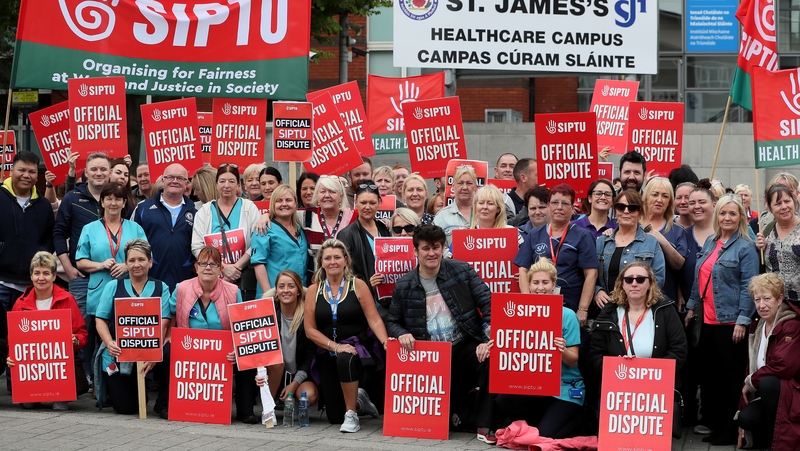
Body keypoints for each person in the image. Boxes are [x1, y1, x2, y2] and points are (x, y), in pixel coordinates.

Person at [386, 224, 496, 444]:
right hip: (429, 357)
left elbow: (489, 303)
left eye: (436, 247)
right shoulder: (405, 284)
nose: (431, 253)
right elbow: (392, 321)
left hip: (464, 345)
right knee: (438, 423)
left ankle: (485, 426)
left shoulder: (462, 270)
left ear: (443, 247)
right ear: (415, 251)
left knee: (489, 359)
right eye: (425, 248)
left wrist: (487, 340)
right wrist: (401, 333)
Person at [685, 194, 759, 445]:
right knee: (711, 376)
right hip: (706, 321)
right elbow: (700, 278)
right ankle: (717, 425)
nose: (727, 218)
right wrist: (691, 307)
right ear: (717, 216)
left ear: (740, 217)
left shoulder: (746, 246)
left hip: (730, 322)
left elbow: (750, 285)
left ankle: (729, 429)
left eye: (733, 213)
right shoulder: (710, 241)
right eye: (723, 213)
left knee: (731, 378)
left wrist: (742, 319)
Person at [303, 239, 390, 431]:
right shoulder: (313, 290)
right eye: (327, 258)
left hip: (356, 347)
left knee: (345, 358)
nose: (332, 261)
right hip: (327, 350)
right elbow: (310, 330)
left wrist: (385, 342)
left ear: (345, 261)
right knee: (334, 416)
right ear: (321, 263)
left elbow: (374, 319)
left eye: (337, 257)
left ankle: (352, 415)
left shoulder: (358, 285)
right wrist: (335, 346)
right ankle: (359, 401)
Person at [495, 258, 585, 439]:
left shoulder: (567, 315)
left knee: (546, 435)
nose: (540, 288)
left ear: (553, 284)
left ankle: (584, 418)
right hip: (535, 385)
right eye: (535, 283)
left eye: (545, 282)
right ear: (528, 285)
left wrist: (562, 349)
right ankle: (539, 421)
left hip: (564, 387)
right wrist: (496, 346)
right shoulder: (520, 313)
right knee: (503, 399)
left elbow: (573, 360)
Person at [169, 246, 258, 423]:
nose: (208, 268)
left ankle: (245, 411)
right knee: (166, 353)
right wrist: (169, 337)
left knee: (244, 356)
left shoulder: (234, 292)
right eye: (203, 263)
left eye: (213, 264)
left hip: (222, 352)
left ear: (221, 269)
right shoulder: (181, 288)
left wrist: (236, 348)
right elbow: (170, 314)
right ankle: (166, 405)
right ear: (196, 267)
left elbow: (239, 326)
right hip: (189, 349)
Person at [76, 183, 148, 374]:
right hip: (100, 289)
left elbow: (149, 258)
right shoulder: (89, 229)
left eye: (118, 198)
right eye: (109, 198)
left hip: (130, 289)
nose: (113, 203)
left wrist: (127, 265)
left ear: (124, 202)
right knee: (102, 341)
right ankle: (100, 384)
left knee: (129, 337)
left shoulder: (135, 228)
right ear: (102, 201)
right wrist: (100, 265)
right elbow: (80, 261)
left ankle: (127, 380)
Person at [94, 239, 170, 416]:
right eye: (132, 260)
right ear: (126, 264)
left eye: (141, 259)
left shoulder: (161, 287)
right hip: (119, 353)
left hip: (150, 350)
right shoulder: (113, 286)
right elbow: (100, 319)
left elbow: (164, 322)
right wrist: (109, 342)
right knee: (126, 408)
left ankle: (164, 402)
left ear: (150, 262)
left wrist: (154, 352)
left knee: (170, 352)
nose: (137, 264)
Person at [589, 261, 687, 397]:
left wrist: (649, 374)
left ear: (650, 284)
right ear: (622, 284)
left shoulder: (665, 310)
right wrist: (616, 367)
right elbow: (596, 353)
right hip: (617, 389)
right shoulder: (609, 312)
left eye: (640, 279)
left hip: (656, 389)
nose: (634, 283)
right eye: (629, 280)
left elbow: (679, 349)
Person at [54, 152, 110, 379]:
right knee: (81, 328)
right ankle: (85, 375)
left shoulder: (117, 197)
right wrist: (67, 267)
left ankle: (104, 376)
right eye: (94, 169)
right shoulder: (73, 198)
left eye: (103, 169)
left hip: (110, 277)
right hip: (82, 277)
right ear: (85, 172)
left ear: (109, 172)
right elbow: (59, 234)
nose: (99, 173)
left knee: (107, 325)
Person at [7, 252, 87, 410]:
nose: (41, 278)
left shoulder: (67, 299)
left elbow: (82, 333)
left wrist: (76, 340)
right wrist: (11, 356)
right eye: (36, 273)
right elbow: (13, 338)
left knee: (60, 407)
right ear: (31, 276)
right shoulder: (20, 303)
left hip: (59, 373)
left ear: (54, 276)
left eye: (46, 273)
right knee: (28, 405)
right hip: (32, 373)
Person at [515, 184, 598, 324]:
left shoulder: (583, 236)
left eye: (565, 203)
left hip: (569, 306)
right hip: (539, 304)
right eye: (554, 202)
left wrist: (583, 309)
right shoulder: (534, 235)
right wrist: (527, 302)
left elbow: (591, 274)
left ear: (572, 208)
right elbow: (523, 269)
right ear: (548, 205)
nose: (559, 207)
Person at [737, 273, 800, 450]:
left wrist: (750, 382)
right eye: (757, 300)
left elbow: (784, 366)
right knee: (745, 418)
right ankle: (769, 440)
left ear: (780, 299)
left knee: (767, 383)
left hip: (794, 393)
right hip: (771, 394)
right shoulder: (758, 325)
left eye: (767, 298)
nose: (761, 305)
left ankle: (779, 441)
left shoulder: (791, 325)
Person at [191, 164, 260, 300]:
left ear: (239, 185)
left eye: (231, 181)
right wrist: (222, 267)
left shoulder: (249, 208)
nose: (226, 185)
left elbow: (257, 243)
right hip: (212, 280)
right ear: (216, 184)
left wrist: (236, 268)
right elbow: (196, 246)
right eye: (222, 181)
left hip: (242, 280)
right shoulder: (204, 212)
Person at [256, 270, 319, 412]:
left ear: (298, 290)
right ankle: (268, 408)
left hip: (299, 375)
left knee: (309, 395)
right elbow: (258, 350)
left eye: (291, 286)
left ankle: (292, 402)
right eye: (281, 286)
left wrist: (294, 384)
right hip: (274, 374)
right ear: (276, 291)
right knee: (276, 361)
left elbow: (310, 357)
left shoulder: (308, 315)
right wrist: (259, 372)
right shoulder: (268, 313)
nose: (286, 290)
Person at [0, 152, 55, 312]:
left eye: (32, 172)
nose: (26, 175)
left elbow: (49, 237)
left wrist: (38, 254)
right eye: (21, 170)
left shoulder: (44, 205)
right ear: (11, 171)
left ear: (37, 176)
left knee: (23, 335)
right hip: (1, 282)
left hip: (30, 287)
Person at [595, 191, 666, 313]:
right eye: (621, 207)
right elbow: (591, 275)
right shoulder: (602, 242)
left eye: (632, 208)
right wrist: (597, 291)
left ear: (640, 213)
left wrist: (636, 297)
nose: (626, 211)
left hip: (639, 309)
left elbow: (658, 279)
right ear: (615, 211)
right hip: (606, 310)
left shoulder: (651, 242)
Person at [132, 164, 196, 291]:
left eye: (180, 178)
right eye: (170, 177)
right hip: (149, 278)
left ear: (186, 183)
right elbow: (131, 243)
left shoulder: (196, 212)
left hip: (184, 279)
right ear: (163, 180)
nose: (175, 181)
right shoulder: (143, 208)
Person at [337, 181, 391, 304]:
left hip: (388, 299)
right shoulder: (346, 234)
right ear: (356, 203)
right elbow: (343, 272)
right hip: (363, 301)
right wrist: (366, 284)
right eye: (363, 203)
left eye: (372, 203)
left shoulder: (385, 229)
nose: (367, 207)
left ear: (379, 203)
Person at [251, 185, 309, 295]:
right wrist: (269, 295)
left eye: (288, 200)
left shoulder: (300, 228)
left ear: (296, 203)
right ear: (272, 204)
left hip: (298, 294)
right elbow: (258, 264)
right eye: (279, 201)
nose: (284, 204)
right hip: (275, 294)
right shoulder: (263, 228)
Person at [641, 176, 688, 304]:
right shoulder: (632, 225)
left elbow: (679, 265)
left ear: (670, 202)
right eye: (655, 194)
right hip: (633, 297)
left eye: (665, 196)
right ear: (646, 197)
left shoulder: (678, 230)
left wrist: (661, 240)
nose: (659, 200)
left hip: (665, 299)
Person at [756, 184, 800, 304]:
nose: (784, 207)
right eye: (778, 203)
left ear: (794, 201)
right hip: (776, 305)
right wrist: (760, 248)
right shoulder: (767, 230)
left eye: (787, 201)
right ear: (769, 208)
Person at [434, 165, 477, 247]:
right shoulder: (442, 216)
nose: (464, 187)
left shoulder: (485, 213)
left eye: (469, 183)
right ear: (453, 186)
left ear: (475, 187)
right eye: (460, 183)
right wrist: (451, 255)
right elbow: (435, 246)